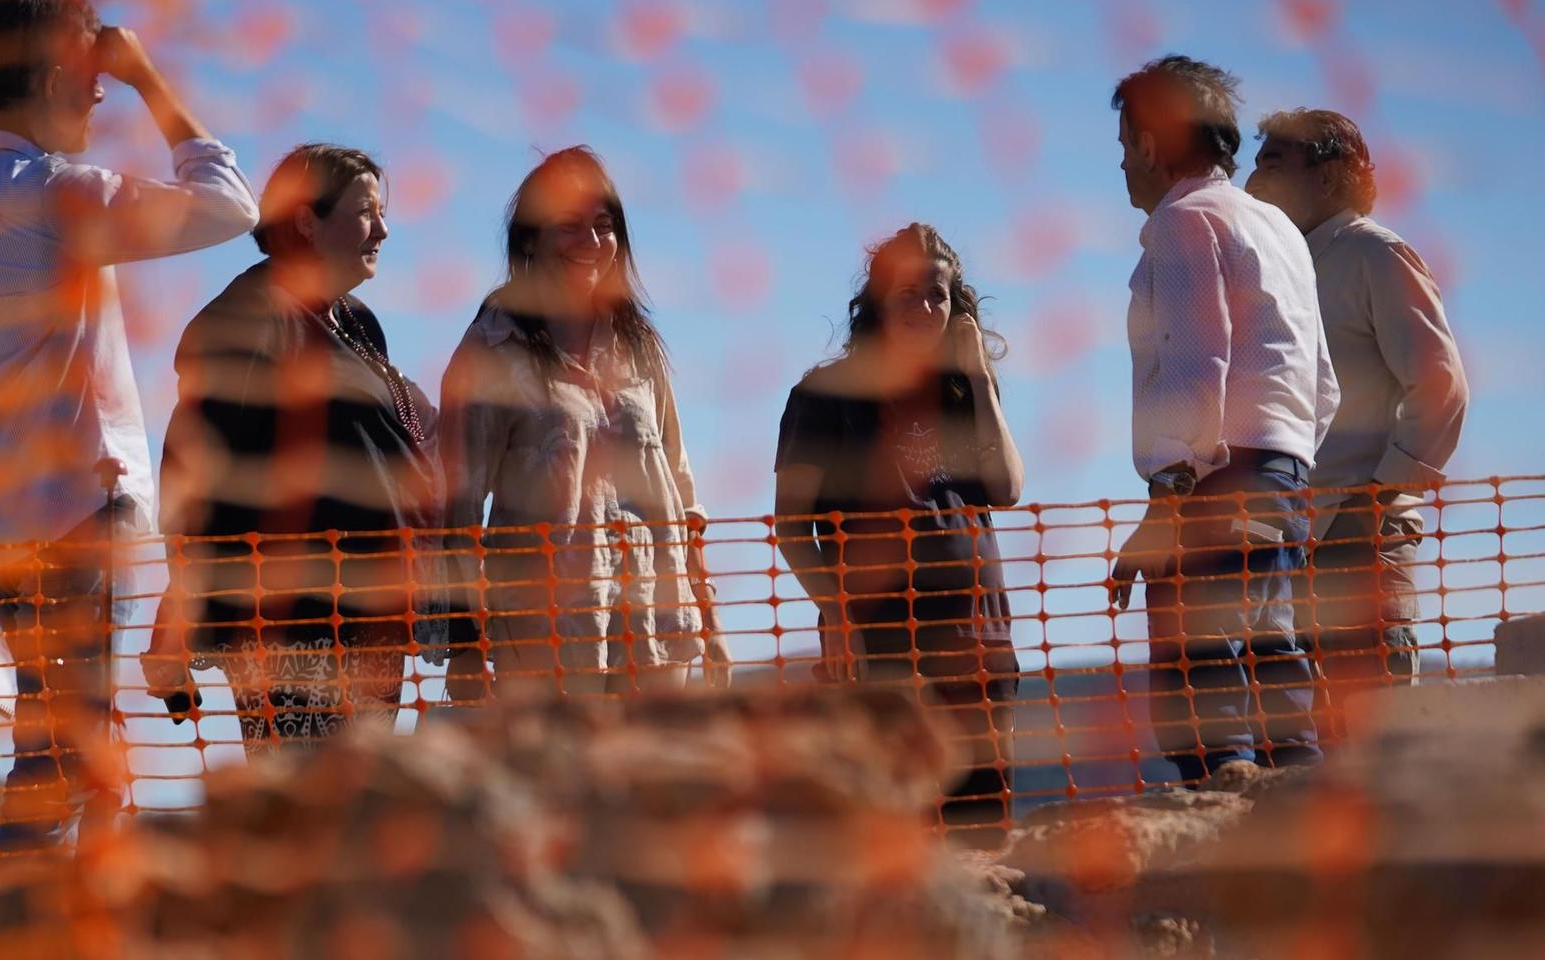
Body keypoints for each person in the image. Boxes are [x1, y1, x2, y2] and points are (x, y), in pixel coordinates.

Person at [0, 0, 257, 848]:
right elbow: (228, 203)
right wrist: (148, 75)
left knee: (70, 730)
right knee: (63, 741)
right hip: (87, 509)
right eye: (91, 75)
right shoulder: (59, 191)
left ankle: (83, 928)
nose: (99, 93)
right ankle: (21, 934)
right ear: (57, 75)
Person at [140, 145, 443, 751]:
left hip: (372, 625)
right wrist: (175, 619)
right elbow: (195, 479)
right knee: (309, 822)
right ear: (307, 221)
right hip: (292, 630)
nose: (383, 229)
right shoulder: (247, 320)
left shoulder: (356, 321)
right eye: (365, 211)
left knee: (364, 822)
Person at [1105, 55, 1340, 782]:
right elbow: (1323, 385)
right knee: (1275, 659)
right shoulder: (1277, 229)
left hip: (1212, 482)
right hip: (1284, 474)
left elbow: (1194, 361)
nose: (1121, 166)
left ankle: (1220, 828)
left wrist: (1168, 499)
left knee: (1202, 671)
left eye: (1123, 147)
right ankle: (1299, 812)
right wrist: (1282, 462)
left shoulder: (1183, 224)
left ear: (1151, 143)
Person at [440, 147, 730, 700]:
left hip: (658, 622)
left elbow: (680, 485)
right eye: (570, 228)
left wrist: (709, 618)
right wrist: (466, 644)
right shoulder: (492, 348)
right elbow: (458, 508)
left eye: (604, 227)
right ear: (530, 239)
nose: (593, 245)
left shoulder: (637, 342)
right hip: (545, 631)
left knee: (653, 782)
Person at [773, 224, 1024, 835]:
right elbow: (789, 526)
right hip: (883, 643)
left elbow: (1009, 489)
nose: (924, 307)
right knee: (892, 831)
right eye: (907, 292)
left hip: (979, 640)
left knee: (980, 830)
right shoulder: (823, 395)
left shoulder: (963, 391)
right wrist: (839, 614)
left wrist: (982, 379)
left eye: (937, 294)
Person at [1244, 108, 1467, 689]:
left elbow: (1441, 387)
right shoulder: (1280, 267)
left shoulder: (1375, 254)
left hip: (1359, 538)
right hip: (1289, 540)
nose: (1251, 179)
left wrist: (1373, 500)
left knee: (1373, 737)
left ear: (1328, 176)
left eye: (1271, 161)